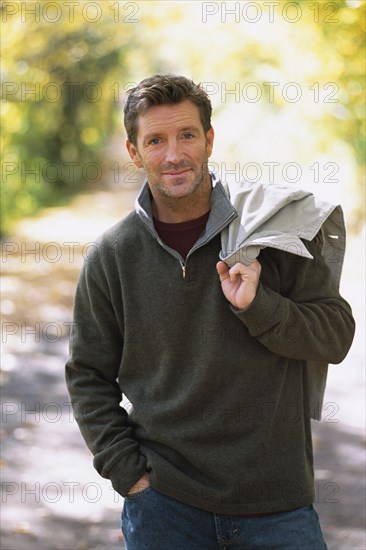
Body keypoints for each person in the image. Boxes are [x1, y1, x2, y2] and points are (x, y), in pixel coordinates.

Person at [65, 74, 355, 549]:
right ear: (134, 152)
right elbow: (87, 376)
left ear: (210, 140)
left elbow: (335, 336)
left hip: (277, 506)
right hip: (165, 507)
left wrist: (259, 306)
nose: (173, 155)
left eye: (187, 135)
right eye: (155, 140)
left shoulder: (272, 232)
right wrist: (129, 474)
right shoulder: (113, 255)